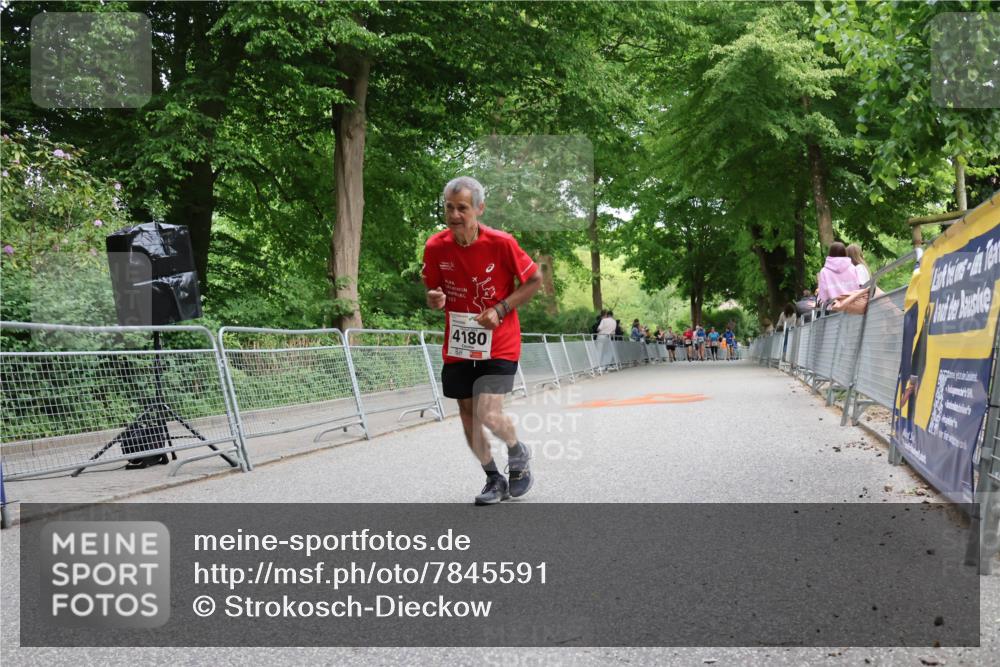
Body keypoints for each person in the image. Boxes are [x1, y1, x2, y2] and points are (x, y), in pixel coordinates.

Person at [423, 176, 543, 505]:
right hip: (460, 343)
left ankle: (518, 452)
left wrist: (502, 308)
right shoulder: (435, 247)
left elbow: (534, 279)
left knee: (488, 412)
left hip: (499, 340)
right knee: (466, 414)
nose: (455, 214)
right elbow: (434, 290)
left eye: (462, 208)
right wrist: (435, 298)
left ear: (479, 208)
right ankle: (494, 479)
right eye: (449, 208)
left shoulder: (502, 243)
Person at [817, 241, 860, 307]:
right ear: (844, 252)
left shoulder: (824, 271)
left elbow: (823, 296)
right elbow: (857, 287)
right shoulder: (852, 268)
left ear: (830, 253)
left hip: (834, 310)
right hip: (852, 307)